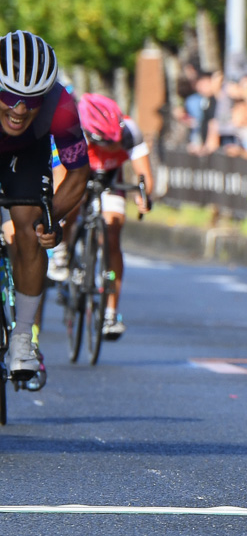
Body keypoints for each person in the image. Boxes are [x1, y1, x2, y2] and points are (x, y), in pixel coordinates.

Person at [0, 31, 89, 383]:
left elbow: (79, 174)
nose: (20, 110)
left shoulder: (61, 106)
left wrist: (52, 220)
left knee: (29, 225)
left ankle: (22, 338)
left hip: (26, 155)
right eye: (9, 98)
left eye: (31, 100)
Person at [52, 94, 154, 338]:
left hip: (110, 177)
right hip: (78, 173)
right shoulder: (71, 132)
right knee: (69, 205)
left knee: (112, 232)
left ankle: (110, 313)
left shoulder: (130, 131)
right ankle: (62, 250)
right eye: (104, 142)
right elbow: (60, 181)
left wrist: (143, 197)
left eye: (114, 142)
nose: (111, 147)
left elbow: (144, 177)